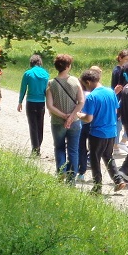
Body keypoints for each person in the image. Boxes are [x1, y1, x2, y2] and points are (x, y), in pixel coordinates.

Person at [78, 69, 128, 193]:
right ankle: (118, 180)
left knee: (95, 159)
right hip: (112, 131)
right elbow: (115, 110)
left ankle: (97, 187)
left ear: (88, 82)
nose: (85, 88)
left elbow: (88, 119)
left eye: (84, 85)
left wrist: (79, 115)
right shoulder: (111, 92)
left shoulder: (92, 97)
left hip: (97, 133)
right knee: (108, 156)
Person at [46, 53, 85, 184]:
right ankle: (71, 179)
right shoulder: (75, 81)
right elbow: (81, 101)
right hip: (74, 122)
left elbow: (50, 106)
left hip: (57, 122)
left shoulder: (51, 83)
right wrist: (71, 116)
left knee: (59, 148)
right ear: (68, 66)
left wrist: (63, 116)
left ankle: (61, 171)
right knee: (73, 150)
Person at [17, 54, 49, 156]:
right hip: (41, 103)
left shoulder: (28, 73)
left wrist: (20, 102)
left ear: (31, 63)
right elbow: (47, 91)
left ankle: (35, 149)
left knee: (33, 126)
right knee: (40, 125)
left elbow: (23, 88)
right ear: (40, 63)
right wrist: (49, 104)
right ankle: (38, 146)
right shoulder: (46, 74)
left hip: (31, 102)